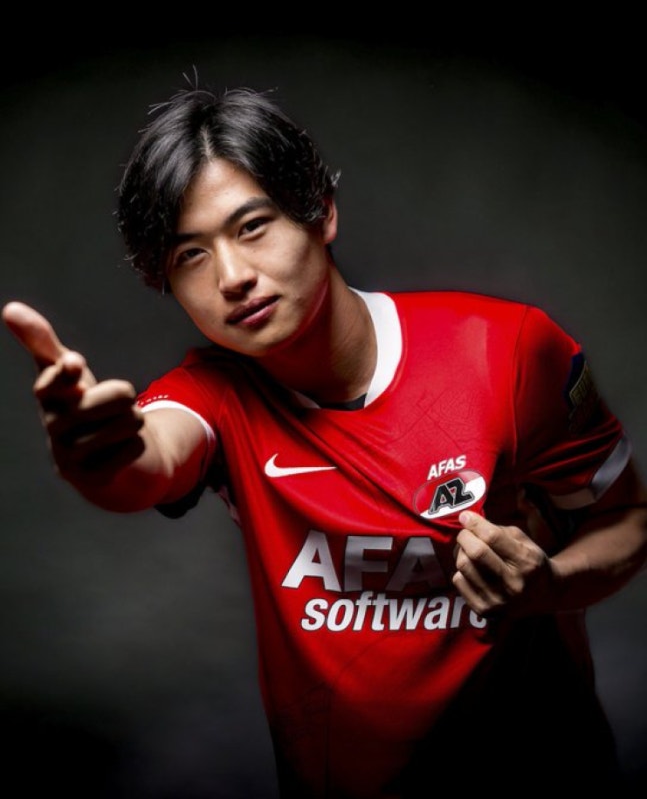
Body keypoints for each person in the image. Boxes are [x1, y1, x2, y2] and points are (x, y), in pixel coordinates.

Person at [3, 85, 647, 798]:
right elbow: (149, 459)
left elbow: (625, 519)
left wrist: (549, 585)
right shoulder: (213, 394)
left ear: (321, 213)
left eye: (252, 227)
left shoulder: (509, 351)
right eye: (190, 255)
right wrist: (94, 453)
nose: (232, 277)